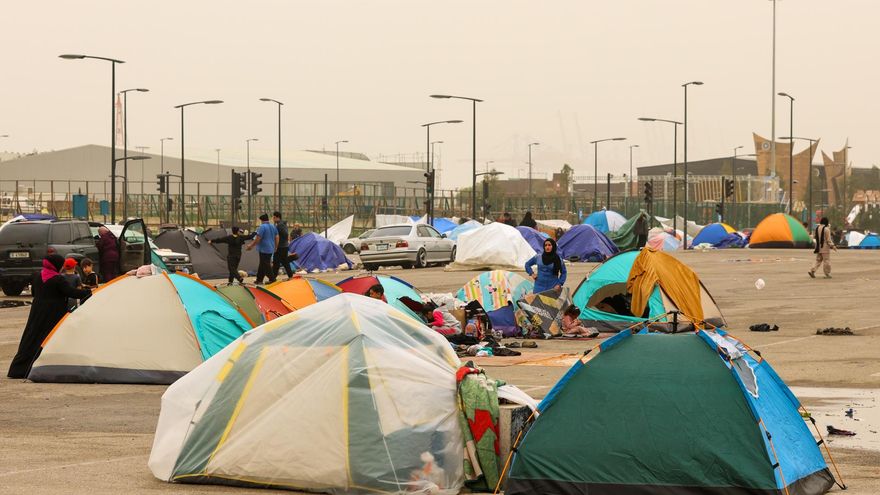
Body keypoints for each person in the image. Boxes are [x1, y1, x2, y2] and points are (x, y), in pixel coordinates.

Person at [7, 254, 91, 378]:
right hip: (54, 312)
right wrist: (89, 292)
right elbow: (71, 292)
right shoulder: (58, 279)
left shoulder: (36, 276)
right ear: (56, 265)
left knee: (32, 336)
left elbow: (34, 292)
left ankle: (19, 369)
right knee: (51, 337)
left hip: (37, 311)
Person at [246, 214, 279, 285]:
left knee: (266, 264)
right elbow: (277, 237)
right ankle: (259, 280)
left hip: (264, 249)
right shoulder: (273, 226)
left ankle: (272, 279)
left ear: (262, 220)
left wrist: (251, 246)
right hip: (271, 248)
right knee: (262, 264)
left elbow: (258, 238)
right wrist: (276, 247)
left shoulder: (262, 227)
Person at [271, 211, 294, 281]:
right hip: (284, 246)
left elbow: (285, 234)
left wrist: (278, 242)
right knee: (284, 261)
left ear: (277, 217)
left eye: (274, 217)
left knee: (276, 262)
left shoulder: (280, 225)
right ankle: (290, 275)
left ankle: (273, 278)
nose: (273, 219)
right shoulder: (282, 224)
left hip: (280, 247)